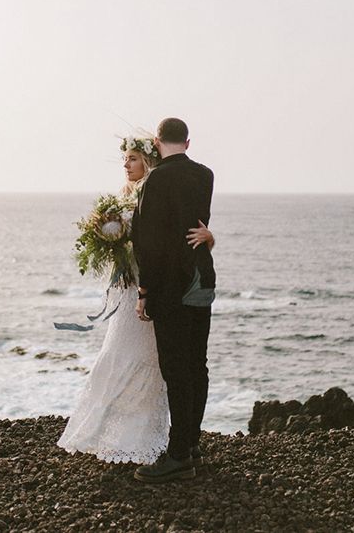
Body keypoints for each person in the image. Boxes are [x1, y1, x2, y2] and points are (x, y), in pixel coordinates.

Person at [56, 133, 214, 464]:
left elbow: (171, 236)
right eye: (124, 160)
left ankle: (153, 437)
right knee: (121, 354)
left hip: (154, 286)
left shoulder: (158, 187)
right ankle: (116, 432)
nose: (127, 165)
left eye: (132, 158)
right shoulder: (123, 197)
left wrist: (210, 237)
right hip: (132, 288)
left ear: (149, 158)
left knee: (156, 364)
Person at [132, 117, 216, 484]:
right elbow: (197, 227)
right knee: (198, 365)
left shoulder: (157, 179)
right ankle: (191, 443)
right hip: (201, 280)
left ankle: (178, 456)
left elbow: (146, 241)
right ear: (188, 141)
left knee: (176, 371)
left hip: (171, 286)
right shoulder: (205, 175)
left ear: (156, 141)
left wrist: (144, 291)